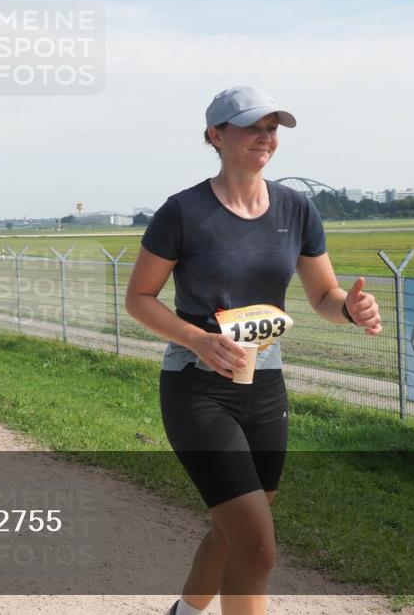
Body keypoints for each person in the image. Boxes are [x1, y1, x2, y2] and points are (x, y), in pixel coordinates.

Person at [124, 86, 382, 615]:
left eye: (272, 128)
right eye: (251, 127)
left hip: (265, 388)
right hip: (198, 389)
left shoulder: (296, 208)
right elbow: (139, 299)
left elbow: (324, 296)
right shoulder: (183, 212)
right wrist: (197, 339)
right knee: (258, 547)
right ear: (216, 136)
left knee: (235, 529)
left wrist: (351, 309)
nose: (265, 137)